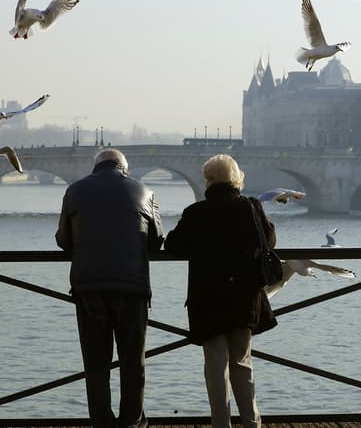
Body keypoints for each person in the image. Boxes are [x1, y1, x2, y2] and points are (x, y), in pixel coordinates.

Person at [164, 154, 277, 428]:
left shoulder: (196, 212)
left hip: (208, 299)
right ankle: (252, 422)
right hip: (244, 297)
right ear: (236, 178)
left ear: (209, 180)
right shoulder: (252, 208)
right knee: (242, 362)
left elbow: (173, 246)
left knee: (216, 365)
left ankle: (220, 424)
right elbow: (270, 240)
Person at [55, 148, 164, 428]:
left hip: (89, 287)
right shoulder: (146, 192)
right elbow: (156, 240)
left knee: (96, 362)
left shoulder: (74, 191)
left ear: (96, 167)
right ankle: (132, 421)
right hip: (132, 288)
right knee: (132, 360)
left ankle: (102, 422)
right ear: (124, 168)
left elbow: (63, 239)